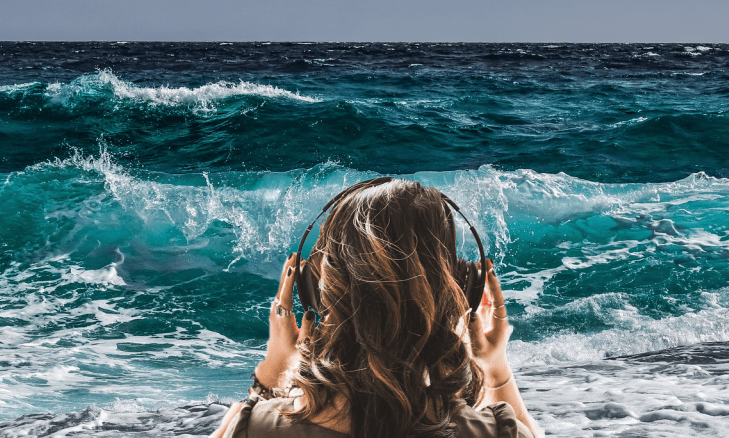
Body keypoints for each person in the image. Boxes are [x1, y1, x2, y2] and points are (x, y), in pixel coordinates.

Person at [212, 179, 542, 438]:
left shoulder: (255, 429)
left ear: (314, 294)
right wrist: (497, 371)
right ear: (462, 291)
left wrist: (271, 375)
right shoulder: (494, 433)